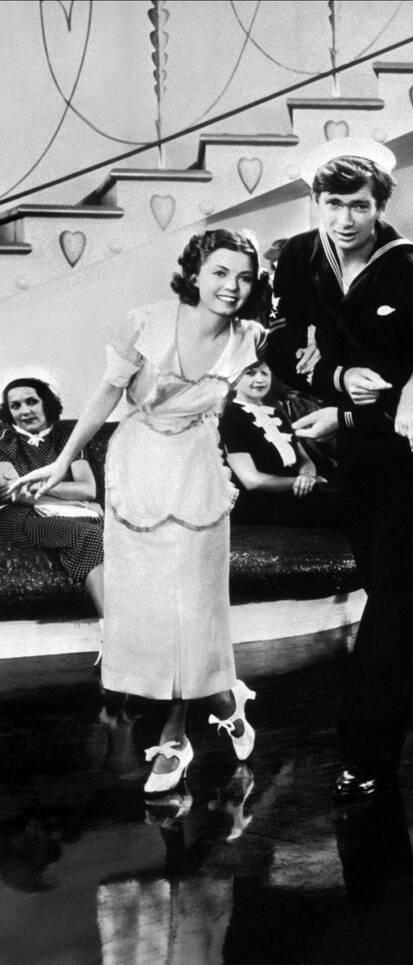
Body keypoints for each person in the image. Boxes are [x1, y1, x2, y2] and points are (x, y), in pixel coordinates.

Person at [269, 139, 413, 803]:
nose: (345, 217)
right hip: (353, 447)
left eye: (359, 205)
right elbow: (280, 342)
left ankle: (368, 749)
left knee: (392, 600)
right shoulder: (298, 258)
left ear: (379, 206)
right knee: (395, 583)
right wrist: (340, 383)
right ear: (315, 202)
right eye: (333, 203)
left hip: (412, 448)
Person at [14, 230, 271, 793]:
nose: (232, 286)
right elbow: (105, 395)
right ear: (196, 273)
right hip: (140, 467)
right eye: (221, 272)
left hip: (199, 470)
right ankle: (224, 698)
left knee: (195, 607)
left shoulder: (250, 336)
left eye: (244, 276)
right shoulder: (145, 322)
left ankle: (176, 738)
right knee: (155, 610)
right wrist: (62, 461)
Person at [0, 377, 105, 613]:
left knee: (102, 535)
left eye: (31, 402)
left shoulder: (68, 438)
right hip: (18, 518)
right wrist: (77, 501)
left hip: (59, 515)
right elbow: (14, 494)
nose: (25, 411)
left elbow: (88, 489)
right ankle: (111, 629)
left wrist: (36, 486)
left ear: (45, 402)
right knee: (87, 535)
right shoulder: (4, 440)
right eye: (15, 406)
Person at [218, 360, 346, 529]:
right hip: (260, 503)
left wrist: (307, 476)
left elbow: (304, 459)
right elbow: (251, 480)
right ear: (235, 380)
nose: (260, 379)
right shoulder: (230, 415)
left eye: (265, 373)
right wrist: (302, 482)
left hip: (298, 491)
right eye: (250, 373)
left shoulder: (278, 413)